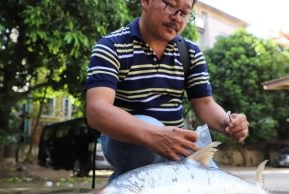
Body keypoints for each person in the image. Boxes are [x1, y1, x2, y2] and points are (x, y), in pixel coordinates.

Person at [86, 0, 249, 179]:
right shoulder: (111, 46)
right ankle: (127, 189)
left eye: (185, 12)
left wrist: (228, 123)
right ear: (146, 2)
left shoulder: (190, 52)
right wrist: (155, 135)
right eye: (170, 6)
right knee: (151, 125)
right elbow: (97, 110)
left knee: (217, 186)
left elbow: (205, 104)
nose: (177, 18)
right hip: (127, 142)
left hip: (176, 145)